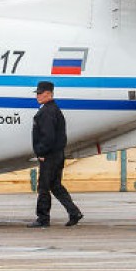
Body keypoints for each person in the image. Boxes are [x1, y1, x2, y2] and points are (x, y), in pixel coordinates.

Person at [28, 81, 83, 228]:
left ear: (48, 94)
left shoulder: (47, 112)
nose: (38, 96)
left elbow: (48, 136)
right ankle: (74, 212)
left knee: (43, 187)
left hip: (49, 156)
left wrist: (41, 152)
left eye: (40, 93)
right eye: (37, 93)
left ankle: (43, 218)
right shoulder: (53, 110)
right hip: (57, 155)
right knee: (56, 186)